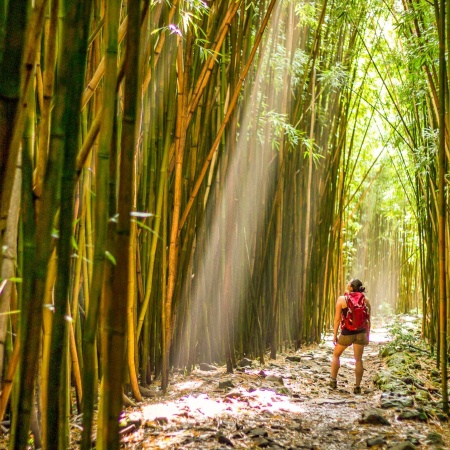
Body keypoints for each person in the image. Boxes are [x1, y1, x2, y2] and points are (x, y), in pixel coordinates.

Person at [330, 278, 371, 394]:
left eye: (349, 282)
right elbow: (368, 320)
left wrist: (335, 335)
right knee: (358, 359)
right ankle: (357, 386)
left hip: (347, 332)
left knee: (336, 354)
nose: (347, 282)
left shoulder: (342, 299)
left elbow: (337, 319)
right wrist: (367, 336)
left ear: (351, 287)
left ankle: (333, 380)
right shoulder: (365, 300)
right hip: (361, 332)